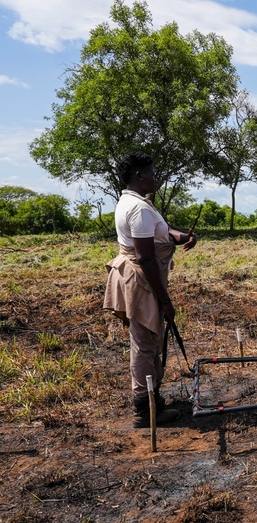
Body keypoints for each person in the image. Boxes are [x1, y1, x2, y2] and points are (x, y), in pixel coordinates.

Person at [103, 151, 197, 427]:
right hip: (142, 279)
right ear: (139, 176)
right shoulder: (140, 208)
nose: (156, 178)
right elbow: (145, 257)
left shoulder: (133, 202)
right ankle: (145, 410)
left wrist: (185, 237)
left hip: (138, 275)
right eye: (152, 173)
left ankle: (151, 399)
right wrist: (164, 300)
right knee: (144, 344)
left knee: (147, 341)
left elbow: (163, 233)